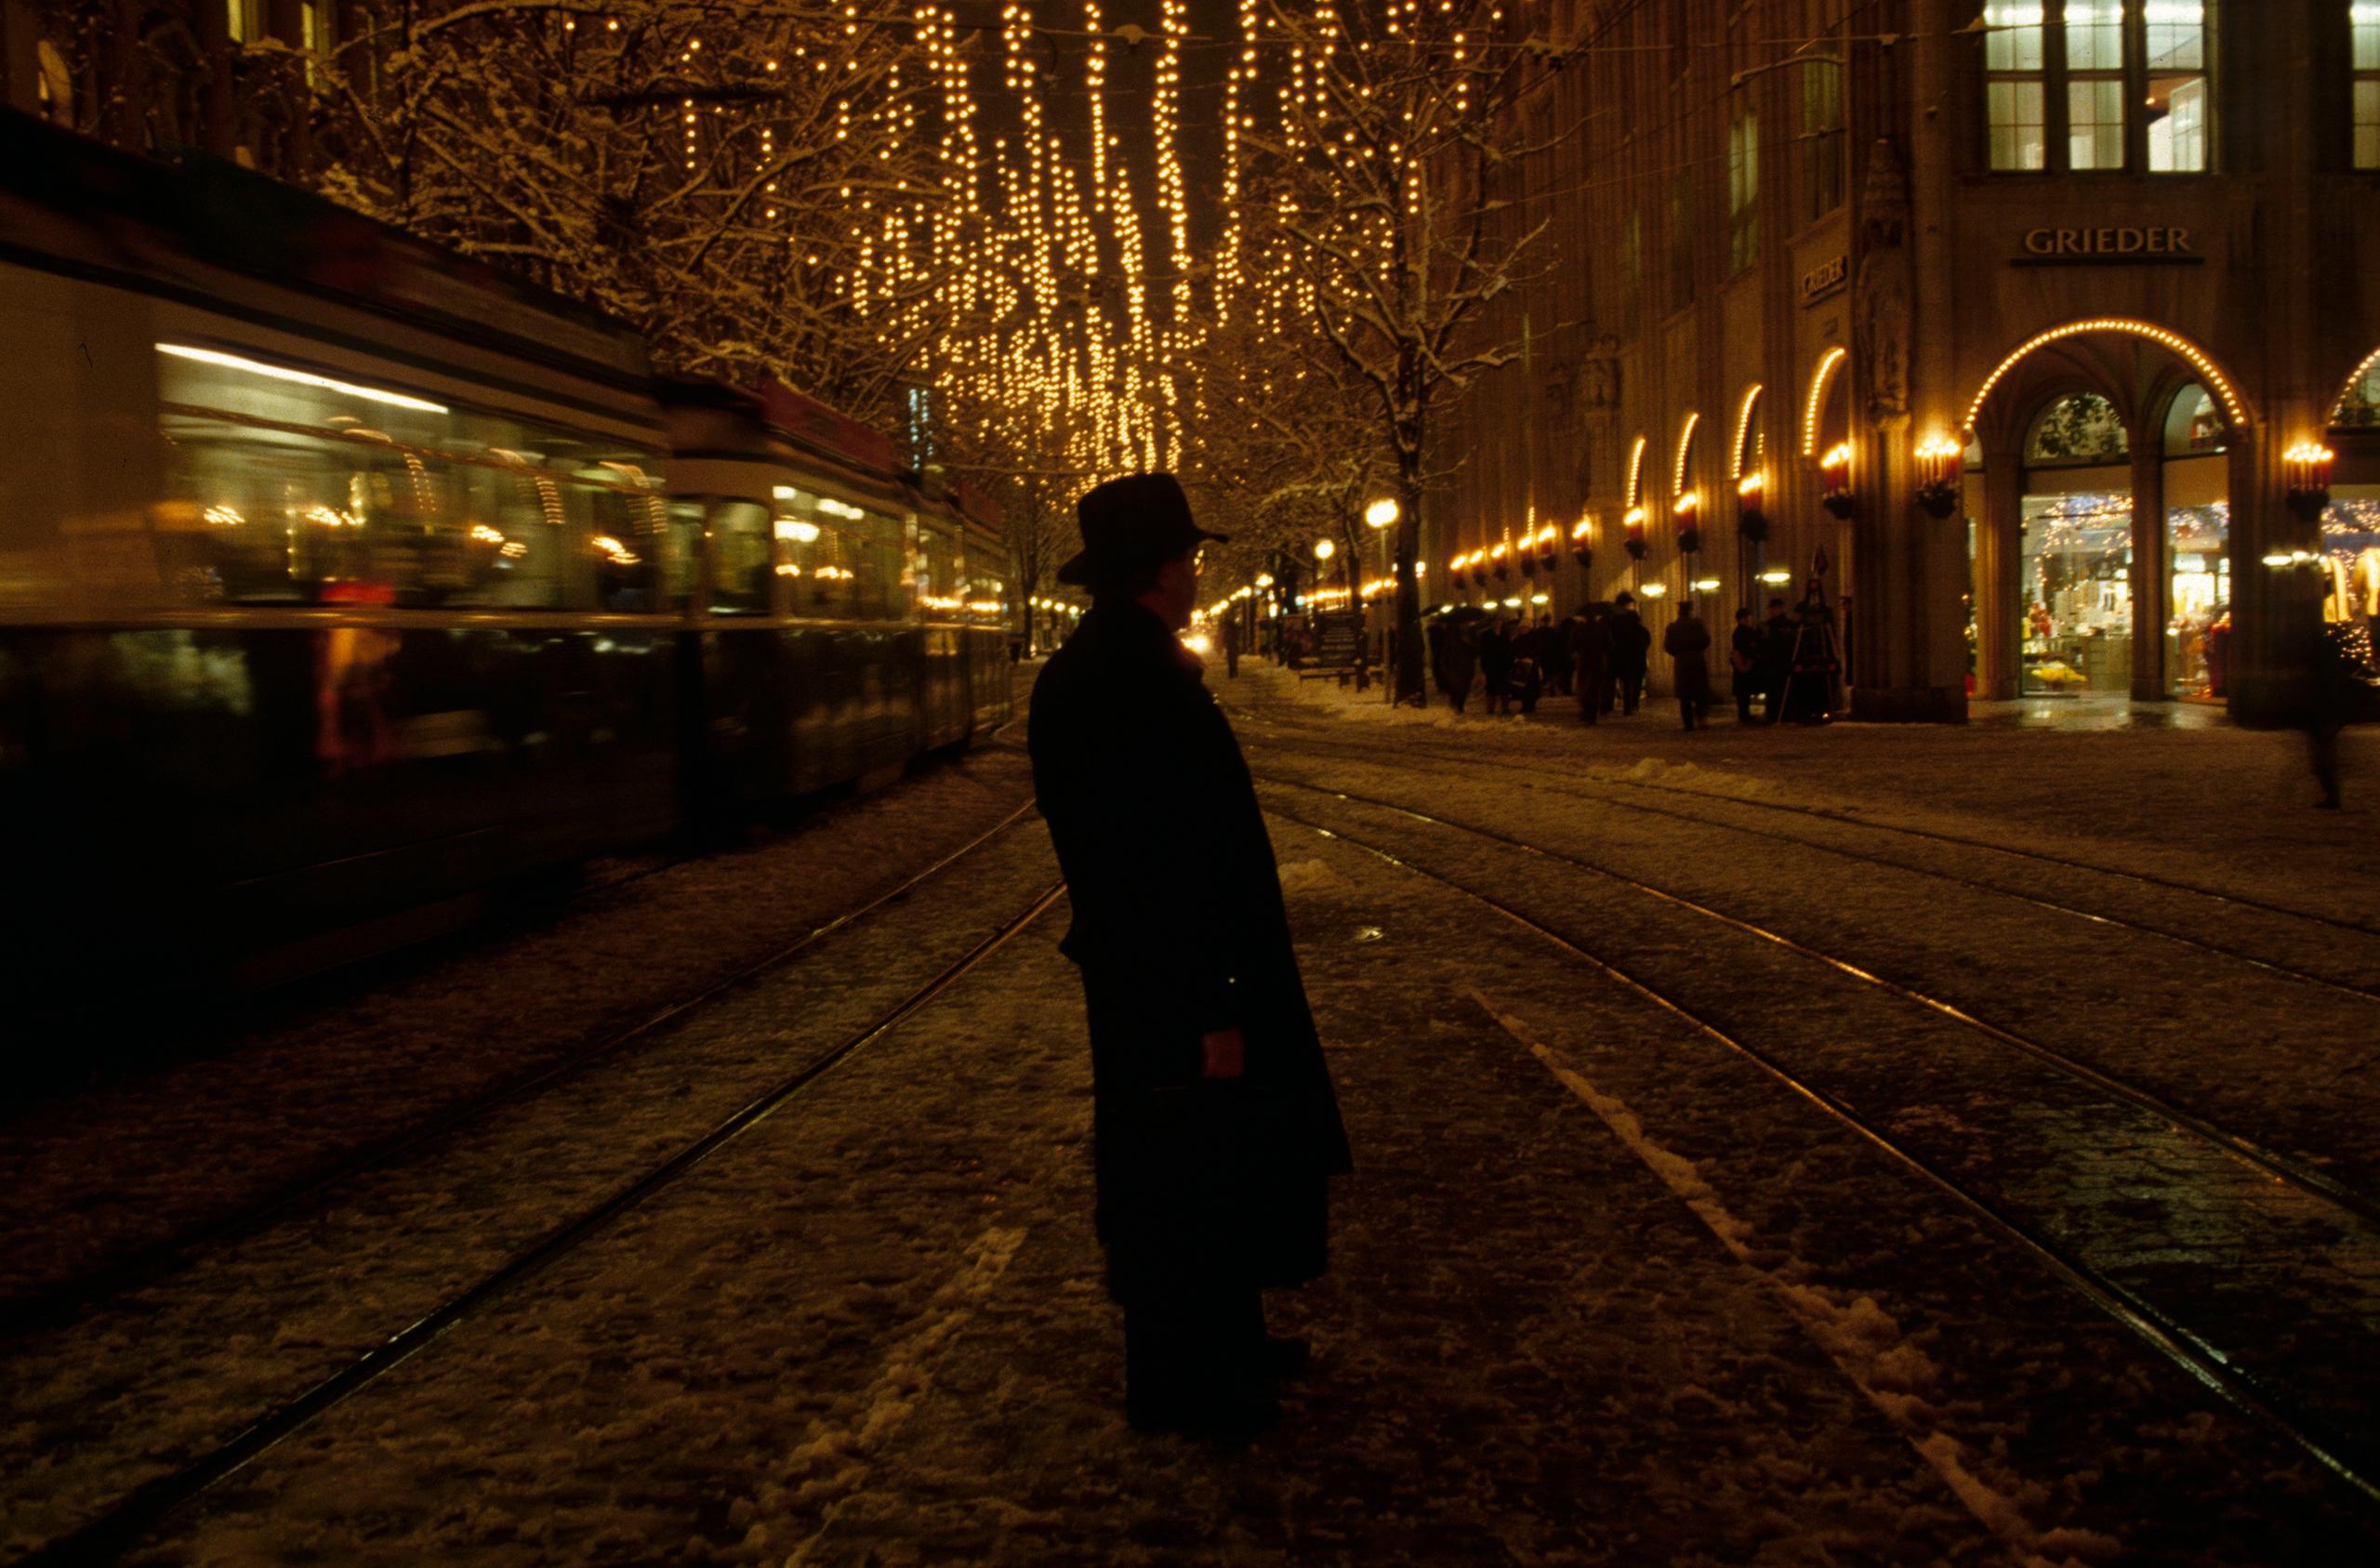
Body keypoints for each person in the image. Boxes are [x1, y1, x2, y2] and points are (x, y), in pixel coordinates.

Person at [1029, 474, 1353, 1439]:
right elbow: (1151, 861)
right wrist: (1207, 1003)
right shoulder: (1126, 682)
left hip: (1163, 970)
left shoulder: (1117, 665)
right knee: (1182, 1175)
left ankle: (1227, 1341)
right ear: (1159, 571)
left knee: (1210, 1158)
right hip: (1173, 977)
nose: (1198, 573)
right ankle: (1185, 1383)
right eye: (1189, 558)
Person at [1662, 601, 1714, 731]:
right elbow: (1706, 640)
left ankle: (1688, 723)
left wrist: (1677, 653)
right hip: (1697, 659)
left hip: (1682, 661)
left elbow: (1668, 646)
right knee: (1700, 691)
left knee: (1685, 695)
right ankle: (1702, 719)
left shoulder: (1673, 627)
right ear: (1690, 611)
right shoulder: (1697, 624)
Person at [1609, 593, 1651, 716]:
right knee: (1636, 682)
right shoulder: (1641, 630)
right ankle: (1634, 703)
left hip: (1623, 658)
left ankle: (1627, 706)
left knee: (1627, 682)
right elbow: (1647, 642)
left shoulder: (1618, 626)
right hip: (1637, 659)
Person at [1566, 611, 1611, 725]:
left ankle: (1586, 711)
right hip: (1598, 661)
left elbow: (1572, 645)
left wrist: (1575, 653)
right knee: (1595, 688)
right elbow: (1610, 644)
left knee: (1584, 687)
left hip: (1584, 661)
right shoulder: (1602, 628)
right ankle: (1592, 714)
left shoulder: (1579, 629)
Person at [1758, 597, 1795, 723]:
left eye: (1774, 609)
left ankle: (1782, 714)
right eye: (1771, 609)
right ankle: (1774, 713)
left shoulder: (1787, 625)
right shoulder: (1768, 625)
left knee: (1782, 689)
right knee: (1773, 690)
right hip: (1771, 663)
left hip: (1782, 662)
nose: (1772, 611)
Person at [1729, 608, 1763, 724]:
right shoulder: (1743, 632)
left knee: (1744, 692)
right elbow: (1747, 648)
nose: (1751, 620)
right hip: (1746, 664)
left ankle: (1745, 715)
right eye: (1749, 617)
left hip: (1743, 665)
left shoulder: (1740, 632)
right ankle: (1747, 715)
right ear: (1743, 619)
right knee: (1746, 692)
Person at [1479, 617, 1515, 716]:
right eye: (1495, 621)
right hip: (1491, 665)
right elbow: (1483, 651)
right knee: (1491, 687)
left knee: (1504, 687)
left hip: (1503, 665)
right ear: (1492, 623)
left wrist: (1510, 663)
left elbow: (1509, 649)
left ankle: (1505, 708)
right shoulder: (1486, 635)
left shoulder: (1505, 634)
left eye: (1499, 621)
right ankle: (1490, 708)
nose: (1497, 623)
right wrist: (1484, 665)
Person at [1223, 613, 1241, 679]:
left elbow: (1224, 638)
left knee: (1231, 659)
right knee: (1233, 659)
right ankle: (1233, 672)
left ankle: (1232, 673)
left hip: (1231, 646)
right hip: (1232, 646)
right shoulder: (1233, 630)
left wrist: (1225, 643)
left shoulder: (1229, 630)